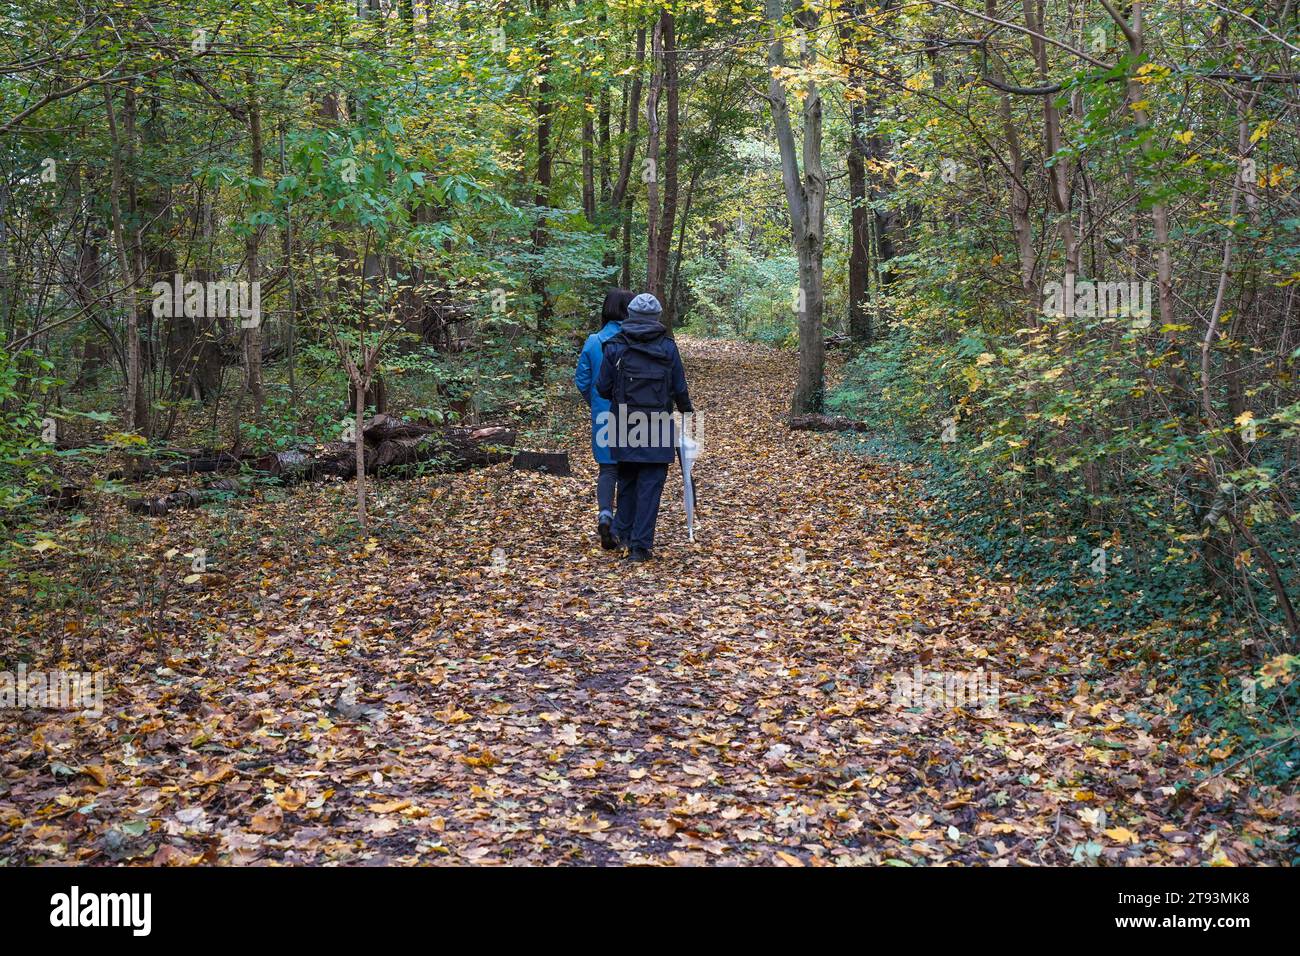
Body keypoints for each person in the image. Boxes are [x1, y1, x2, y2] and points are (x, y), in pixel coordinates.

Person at [594, 292, 693, 562]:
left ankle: (619, 532)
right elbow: (679, 387)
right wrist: (686, 408)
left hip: (623, 422)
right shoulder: (668, 347)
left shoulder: (615, 346)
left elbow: (602, 389)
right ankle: (640, 547)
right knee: (650, 485)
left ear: (631, 316)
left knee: (626, 480)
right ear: (657, 318)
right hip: (657, 424)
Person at [575, 288, 634, 549]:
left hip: (602, 414)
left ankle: (604, 514)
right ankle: (622, 525)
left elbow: (582, 380)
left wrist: (596, 403)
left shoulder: (594, 341)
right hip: (633, 414)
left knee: (607, 469)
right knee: (629, 470)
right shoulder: (634, 340)